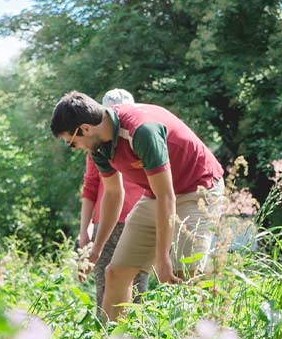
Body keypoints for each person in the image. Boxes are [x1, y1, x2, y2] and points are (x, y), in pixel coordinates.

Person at [51, 91, 224, 321]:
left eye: (72, 143)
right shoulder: (99, 147)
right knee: (115, 273)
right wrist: (97, 248)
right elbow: (113, 194)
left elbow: (167, 196)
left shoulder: (141, 131)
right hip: (156, 196)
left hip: (198, 190)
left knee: (184, 276)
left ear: (84, 128)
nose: (76, 148)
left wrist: (162, 258)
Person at [78, 89, 148, 318]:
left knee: (137, 290)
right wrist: (84, 231)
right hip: (105, 225)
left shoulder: (140, 138)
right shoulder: (95, 147)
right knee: (104, 290)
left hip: (138, 221)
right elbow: (90, 187)